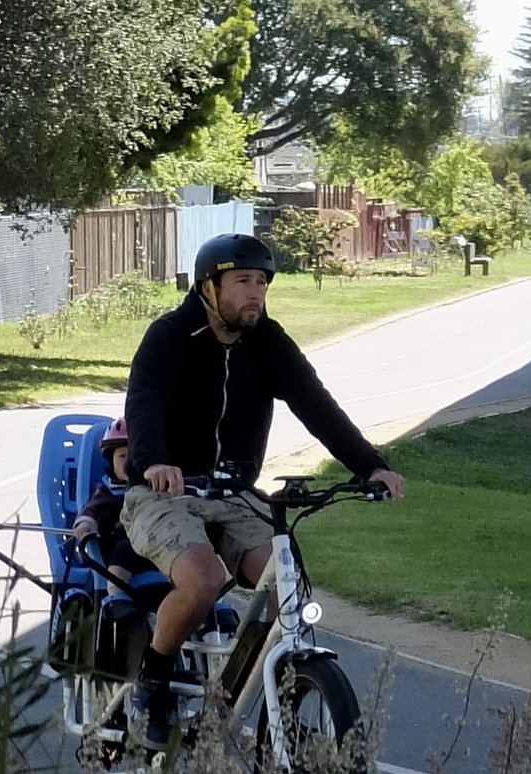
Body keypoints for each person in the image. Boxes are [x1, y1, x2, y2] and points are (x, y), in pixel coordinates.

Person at [115, 227, 405, 740]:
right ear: (210, 286)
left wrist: (369, 465)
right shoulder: (170, 337)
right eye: (243, 281)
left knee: (281, 597)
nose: (256, 293)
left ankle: (230, 704)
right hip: (163, 494)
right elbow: (144, 402)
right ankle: (152, 681)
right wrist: (155, 460)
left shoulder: (268, 342)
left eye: (263, 283)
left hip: (236, 495)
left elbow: (318, 407)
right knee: (202, 582)